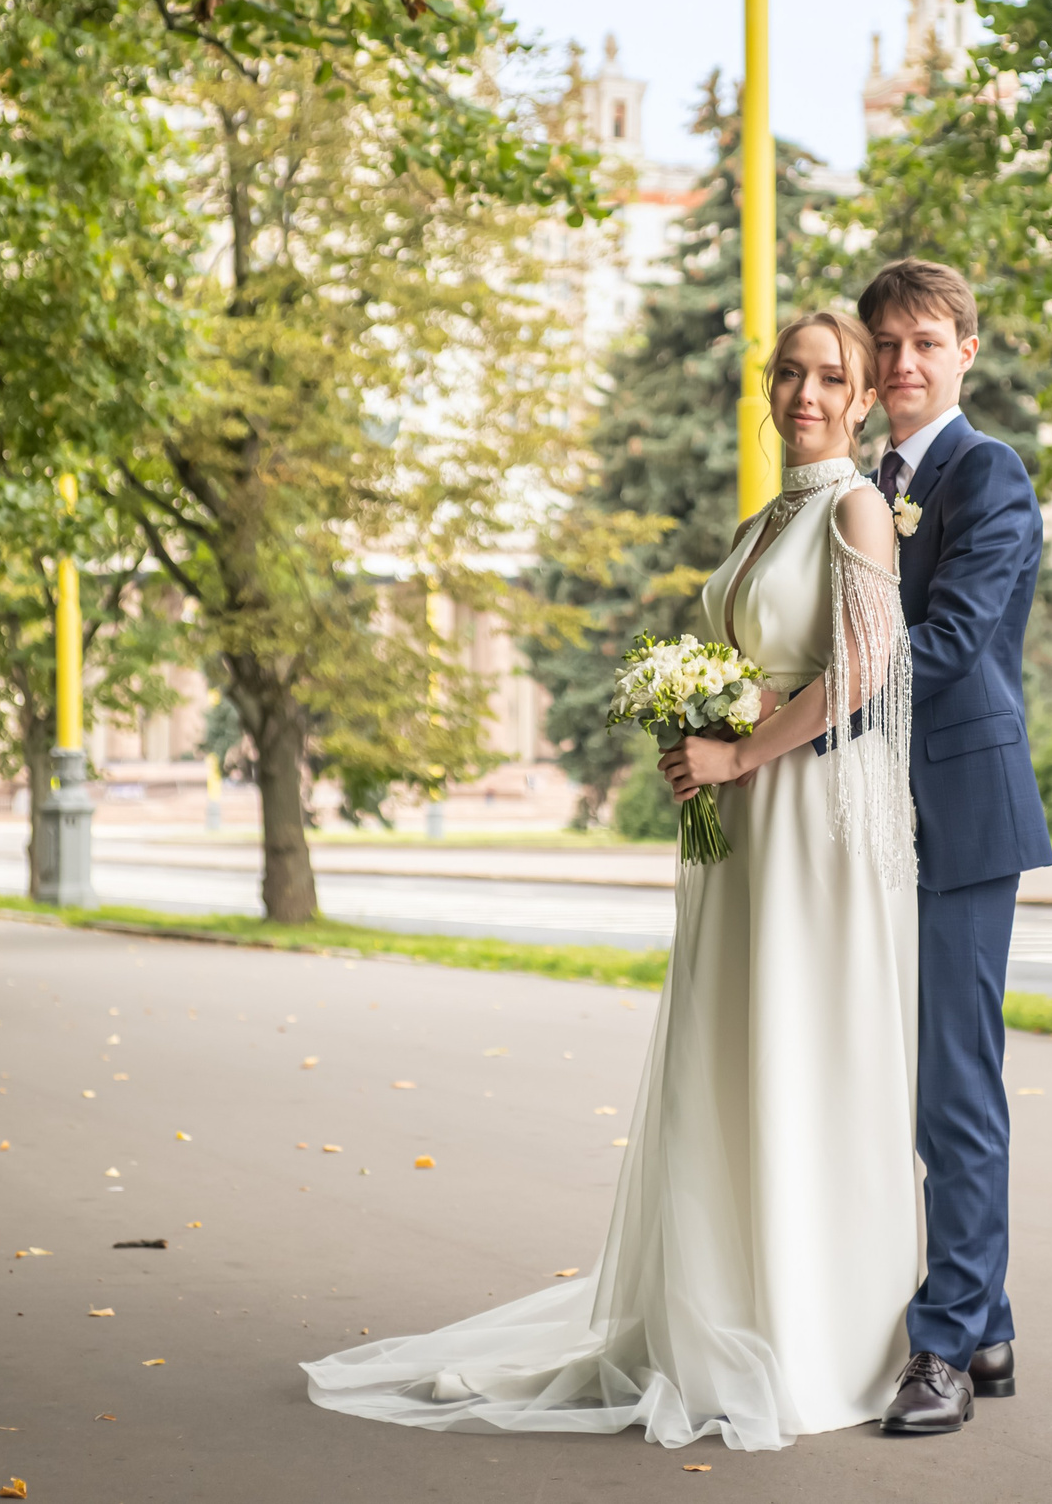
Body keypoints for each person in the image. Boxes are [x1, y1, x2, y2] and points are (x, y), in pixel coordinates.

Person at [304, 311, 918, 1450]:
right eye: (788, 371)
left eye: (831, 376)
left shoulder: (855, 508)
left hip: (810, 823)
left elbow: (869, 667)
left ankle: (813, 1324)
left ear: (863, 395)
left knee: (796, 1045)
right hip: (739, 824)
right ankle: (718, 1302)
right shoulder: (761, 520)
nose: (805, 392)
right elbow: (751, 657)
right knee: (728, 1051)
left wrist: (738, 749)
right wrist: (695, 726)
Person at [859, 259, 1052, 1434]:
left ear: (964, 350)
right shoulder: (867, 480)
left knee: (954, 1086)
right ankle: (985, 1324)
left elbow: (953, 640)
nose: (900, 365)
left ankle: (940, 1346)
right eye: (884, 344)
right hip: (874, 819)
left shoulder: (988, 474)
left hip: (965, 815)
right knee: (903, 1078)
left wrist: (805, 718)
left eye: (924, 342)